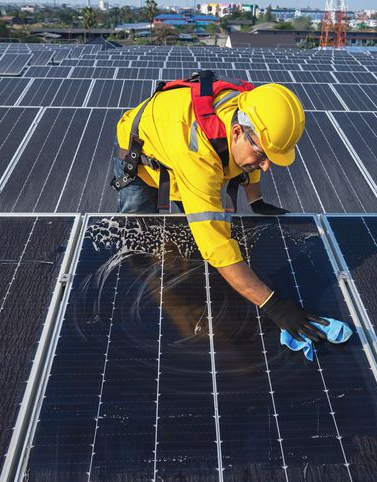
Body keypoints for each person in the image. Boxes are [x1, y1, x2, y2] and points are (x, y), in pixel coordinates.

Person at [112, 78, 328, 343]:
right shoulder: (199, 157)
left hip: (179, 155)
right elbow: (218, 248)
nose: (266, 166)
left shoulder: (247, 114)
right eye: (262, 155)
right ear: (236, 132)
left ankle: (188, 270)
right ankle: (142, 280)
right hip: (142, 158)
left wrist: (256, 200)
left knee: (191, 235)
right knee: (139, 236)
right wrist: (274, 306)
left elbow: (248, 164)